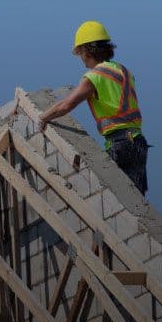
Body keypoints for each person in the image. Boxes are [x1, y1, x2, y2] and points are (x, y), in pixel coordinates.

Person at [39, 21, 150, 195]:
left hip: (120, 143)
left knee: (111, 196)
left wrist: (43, 117)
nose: (81, 57)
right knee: (134, 199)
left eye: (80, 52)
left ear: (86, 50)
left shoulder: (95, 76)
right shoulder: (124, 71)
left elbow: (67, 104)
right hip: (137, 142)